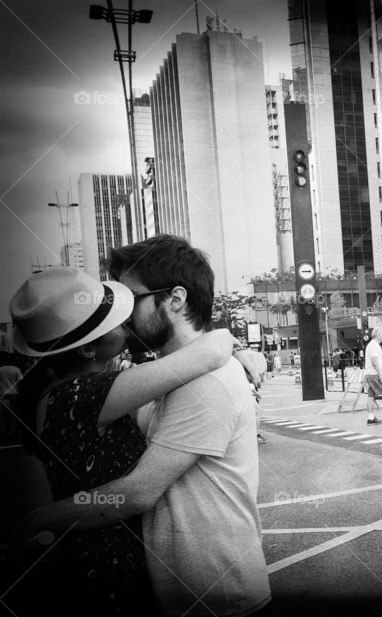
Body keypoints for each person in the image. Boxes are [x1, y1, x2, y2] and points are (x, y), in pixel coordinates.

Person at [16, 236, 272, 617]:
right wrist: (225, 344)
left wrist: (39, 518)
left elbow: (139, 492)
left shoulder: (204, 384)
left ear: (176, 299)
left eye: (130, 299)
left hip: (219, 595)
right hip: (167, 590)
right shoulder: (142, 381)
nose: (123, 316)